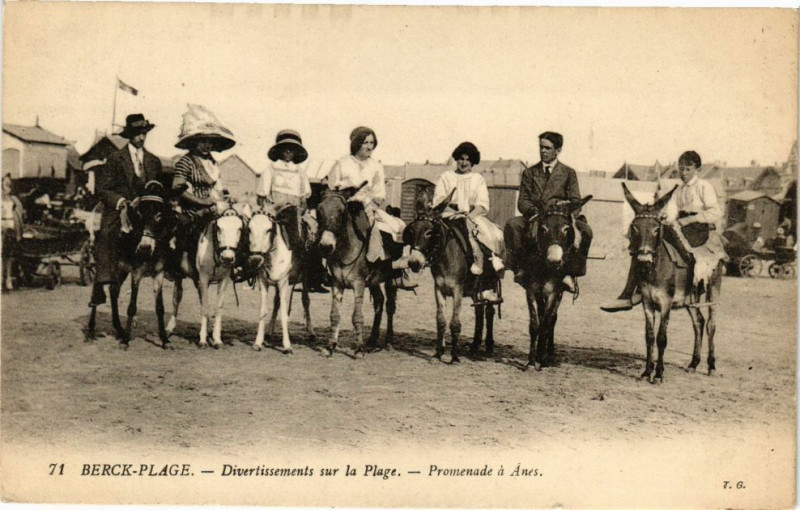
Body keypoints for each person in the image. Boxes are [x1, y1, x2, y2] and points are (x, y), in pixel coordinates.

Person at [601, 150, 724, 312]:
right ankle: (631, 292)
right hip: (679, 226)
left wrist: (691, 219)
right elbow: (672, 209)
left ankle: (688, 292)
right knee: (648, 246)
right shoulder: (679, 189)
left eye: (688, 169)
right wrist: (667, 217)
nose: (684, 173)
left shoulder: (704, 187)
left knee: (687, 253)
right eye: (681, 169)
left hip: (698, 229)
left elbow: (715, 212)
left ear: (697, 170)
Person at [326, 126, 415, 290]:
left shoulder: (376, 166)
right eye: (365, 142)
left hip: (366, 205)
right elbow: (332, 186)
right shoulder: (341, 163)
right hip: (342, 206)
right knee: (324, 229)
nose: (369, 147)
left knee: (392, 228)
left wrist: (372, 204)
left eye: (372, 143)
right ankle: (320, 271)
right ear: (356, 144)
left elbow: (380, 191)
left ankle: (393, 272)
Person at [504, 131, 593, 292]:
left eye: (547, 148)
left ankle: (571, 272)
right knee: (512, 225)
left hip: (561, 217)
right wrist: (533, 212)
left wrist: (567, 208)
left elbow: (575, 200)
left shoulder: (568, 173)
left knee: (586, 230)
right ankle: (520, 268)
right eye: (541, 147)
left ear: (558, 150)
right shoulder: (530, 173)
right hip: (537, 216)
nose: (543, 151)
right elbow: (522, 201)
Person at [90, 113, 163, 306]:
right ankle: (103, 281)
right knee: (107, 232)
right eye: (138, 133)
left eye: (144, 133)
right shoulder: (115, 158)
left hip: (145, 209)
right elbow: (103, 189)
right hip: (121, 209)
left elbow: (157, 187)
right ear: (130, 135)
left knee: (165, 228)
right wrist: (121, 201)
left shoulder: (153, 161)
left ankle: (169, 266)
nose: (141, 137)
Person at [256, 130, 327, 293]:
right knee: (256, 231)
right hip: (274, 212)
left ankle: (312, 274)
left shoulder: (300, 172)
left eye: (292, 149)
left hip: (296, 212)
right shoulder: (271, 170)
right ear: (279, 150)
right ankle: (250, 267)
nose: (288, 152)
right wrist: (269, 210)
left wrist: (302, 210)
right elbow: (262, 197)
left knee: (313, 236)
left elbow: (304, 197)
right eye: (285, 148)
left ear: (296, 152)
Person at [432, 142, 505, 302]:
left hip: (472, 216)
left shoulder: (478, 179)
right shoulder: (446, 177)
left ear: (472, 162)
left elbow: (482, 203)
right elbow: (439, 200)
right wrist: (452, 212)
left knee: (488, 238)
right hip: (449, 215)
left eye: (467, 159)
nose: (464, 163)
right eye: (461, 159)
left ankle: (486, 285)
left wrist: (470, 216)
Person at [172, 104, 236, 274]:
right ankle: (182, 265)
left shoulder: (213, 163)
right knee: (186, 231)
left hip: (213, 206)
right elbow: (177, 189)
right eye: (202, 140)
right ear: (194, 141)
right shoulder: (186, 162)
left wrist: (226, 198)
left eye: (209, 141)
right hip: (192, 209)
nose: (206, 145)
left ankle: (233, 265)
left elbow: (218, 186)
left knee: (233, 226)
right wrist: (201, 201)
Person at [2, 174, 24, 290]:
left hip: (9, 226)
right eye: (5, 184)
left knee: (8, 254)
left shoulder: (13, 199)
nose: (7, 187)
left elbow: (18, 213)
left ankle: (8, 278)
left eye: (9, 184)